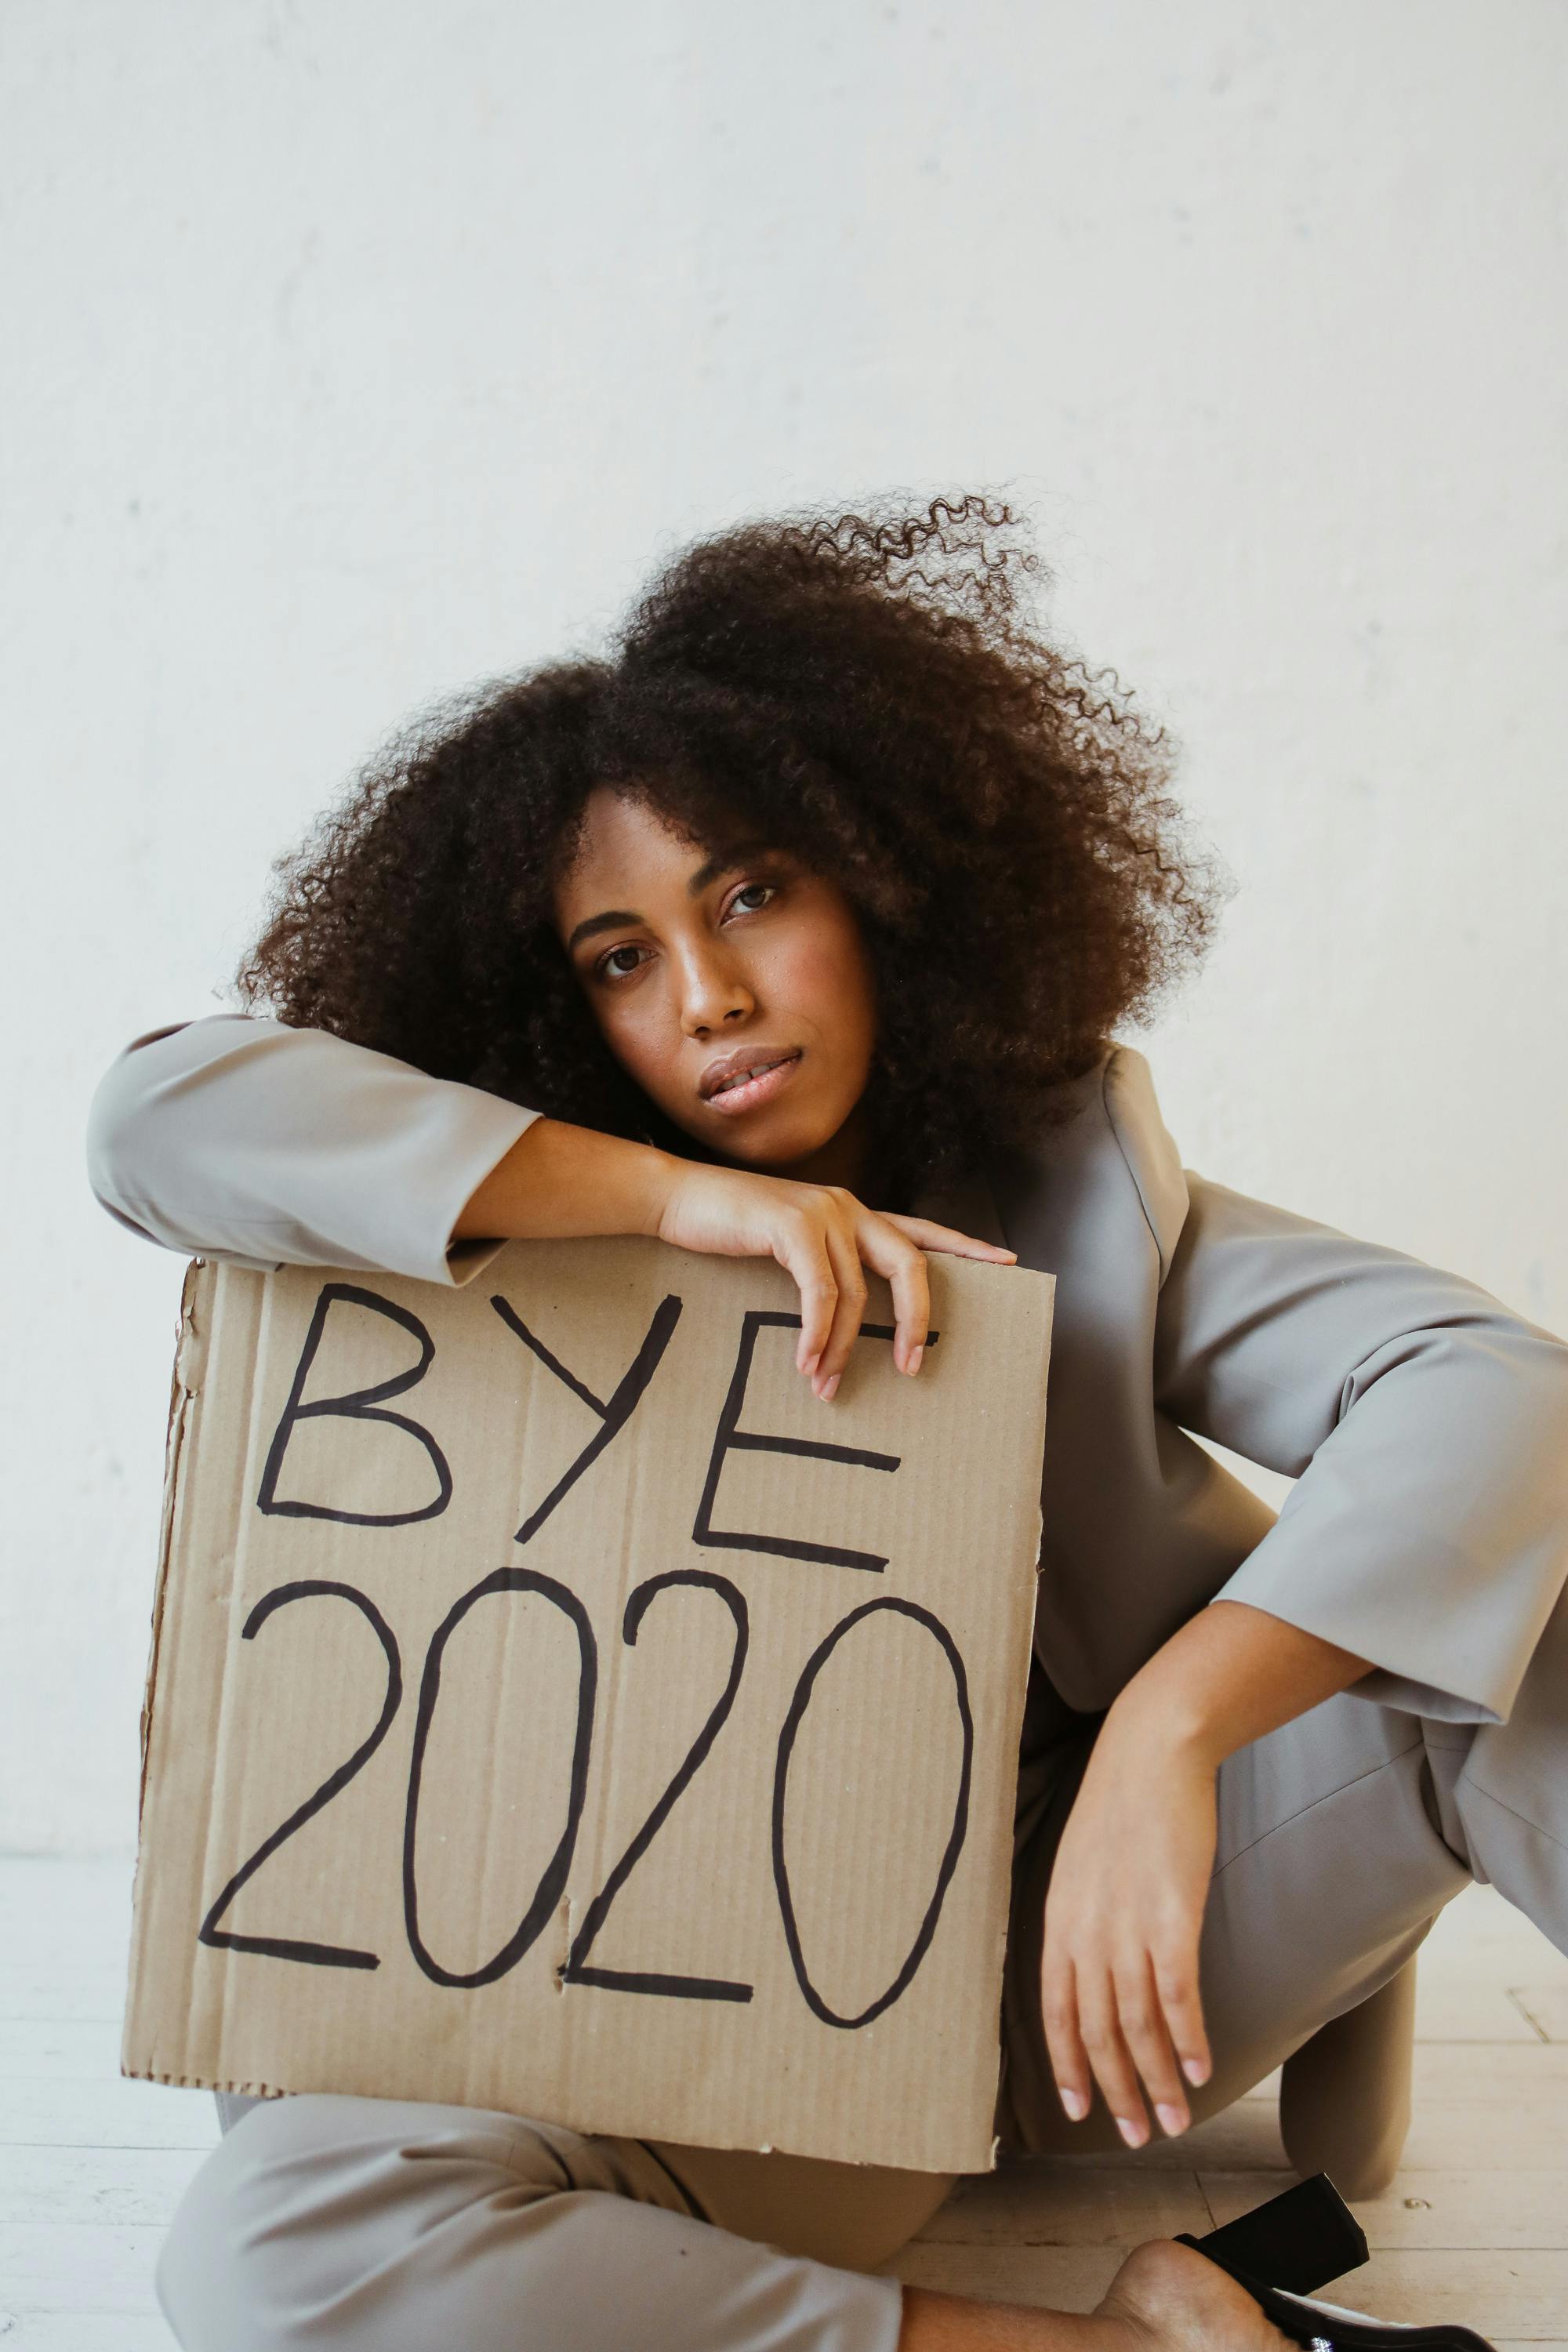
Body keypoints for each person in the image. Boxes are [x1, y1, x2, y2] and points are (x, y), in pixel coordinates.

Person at [87, 496, 1568, 2352]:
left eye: (749, 896)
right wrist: (676, 1207)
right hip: (657, 2043)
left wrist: (1174, 1735)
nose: (704, 997)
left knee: (1538, 1630)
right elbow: (148, 1126)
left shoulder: (1077, 1200)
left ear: (882, 886)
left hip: (1063, 1981)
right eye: (617, 958)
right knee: (262, 2250)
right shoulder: (503, 1216)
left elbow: (1498, 1390)